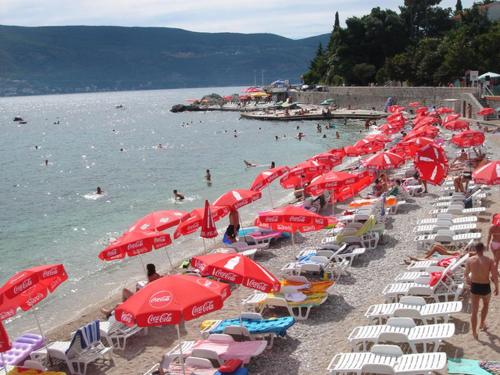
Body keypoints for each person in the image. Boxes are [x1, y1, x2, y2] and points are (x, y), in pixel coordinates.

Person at [464, 242, 498, 339]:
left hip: (475, 286)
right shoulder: (489, 260)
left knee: (474, 311)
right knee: (486, 305)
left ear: (475, 249)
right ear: (483, 249)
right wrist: (497, 287)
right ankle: (482, 323)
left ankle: (474, 332)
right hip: (485, 286)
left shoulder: (470, 260)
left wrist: (468, 281)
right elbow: (494, 275)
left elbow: (466, 274)